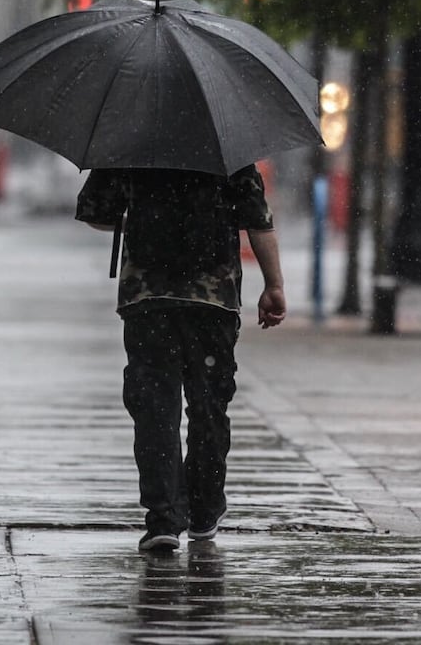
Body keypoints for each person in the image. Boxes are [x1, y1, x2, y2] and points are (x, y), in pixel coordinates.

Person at [75, 163, 287, 553]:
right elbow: (259, 222)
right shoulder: (228, 152)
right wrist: (273, 286)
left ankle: (163, 518)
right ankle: (205, 511)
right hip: (213, 301)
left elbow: (96, 213)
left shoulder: (129, 146)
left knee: (154, 407)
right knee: (208, 405)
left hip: (147, 299)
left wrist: (143, 209)